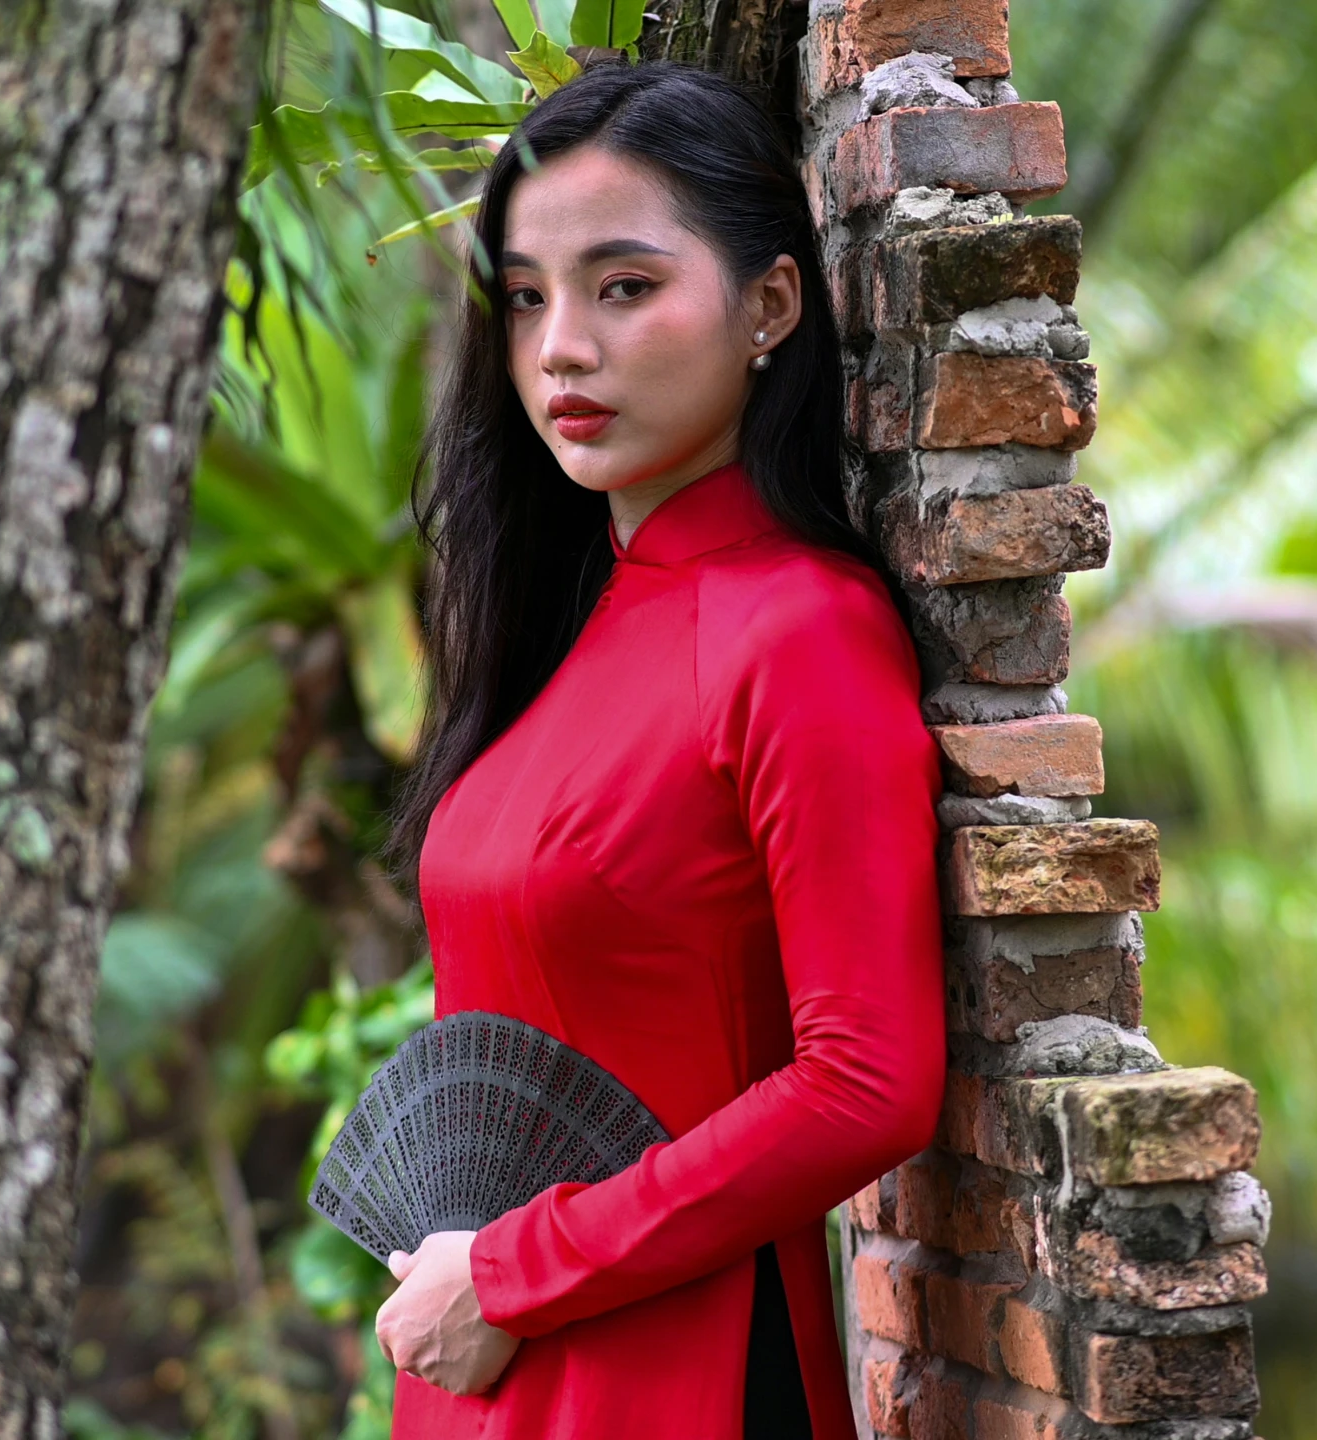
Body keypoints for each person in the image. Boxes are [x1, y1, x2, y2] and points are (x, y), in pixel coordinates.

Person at [365, 59, 948, 1440]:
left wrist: (512, 1270)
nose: (561, 345)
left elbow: (866, 1083)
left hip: (669, 1382)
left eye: (623, 287)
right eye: (526, 297)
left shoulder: (802, 631)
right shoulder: (562, 627)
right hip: (482, 1369)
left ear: (769, 306)